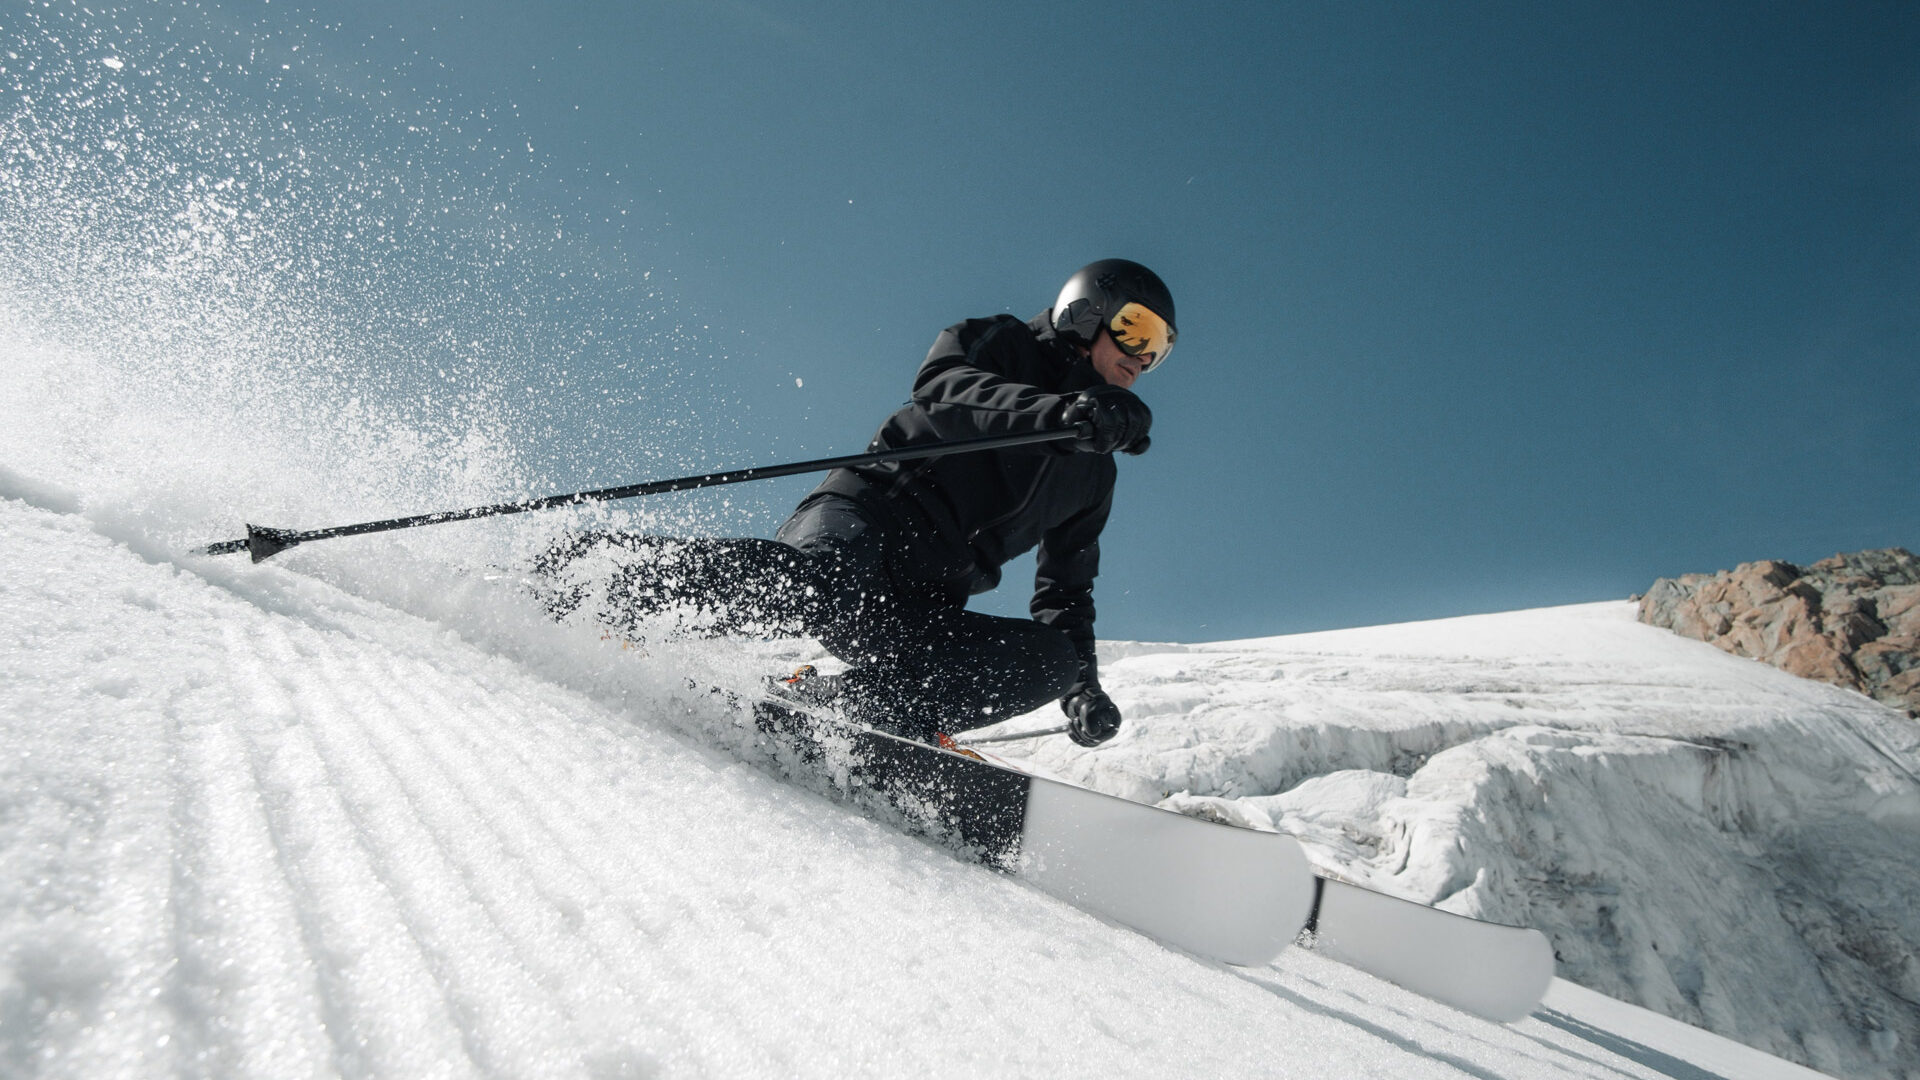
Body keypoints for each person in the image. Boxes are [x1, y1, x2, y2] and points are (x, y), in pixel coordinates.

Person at [542, 259, 1175, 748]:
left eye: (1160, 348)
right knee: (819, 581)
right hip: (866, 522)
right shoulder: (1003, 344)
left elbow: (1065, 595)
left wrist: (1082, 690)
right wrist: (1060, 414)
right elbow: (944, 389)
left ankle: (846, 714)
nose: (1142, 357)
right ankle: (596, 582)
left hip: (917, 607)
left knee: (1050, 661)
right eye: (1135, 329)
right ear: (1085, 312)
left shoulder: (1093, 477)